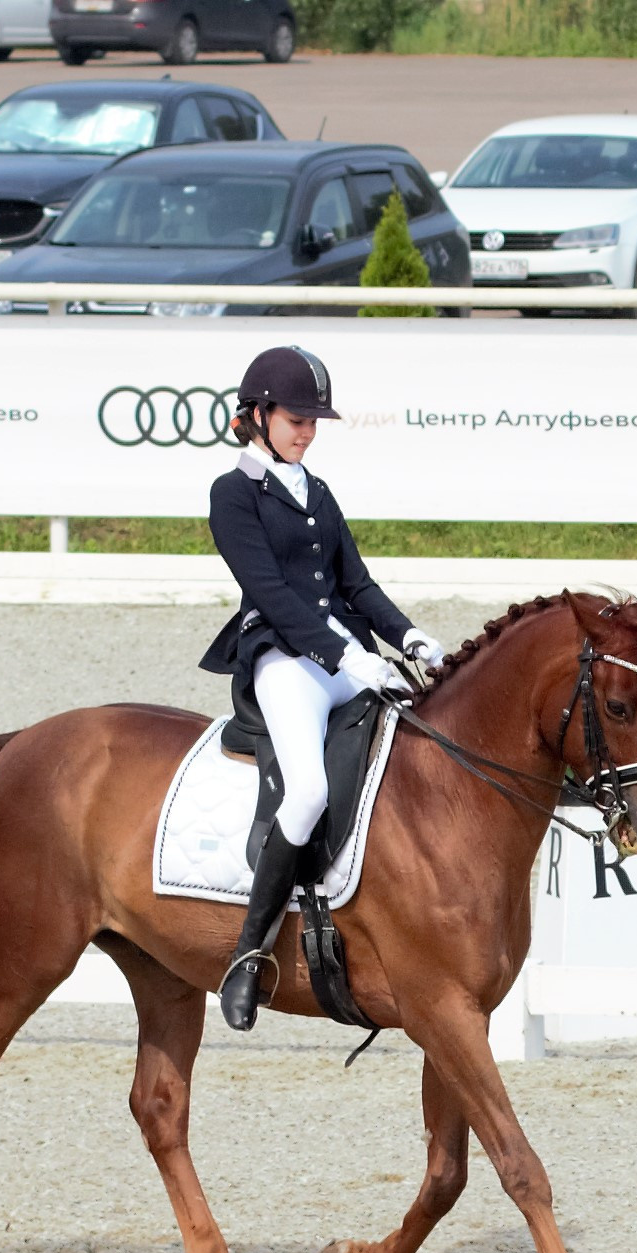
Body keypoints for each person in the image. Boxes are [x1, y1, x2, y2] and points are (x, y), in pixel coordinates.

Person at [199, 345, 446, 1031]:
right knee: (307, 790)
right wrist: (344, 655)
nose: (306, 430)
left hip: (346, 659)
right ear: (257, 414)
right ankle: (248, 955)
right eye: (295, 417)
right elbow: (273, 594)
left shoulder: (317, 489)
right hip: (285, 660)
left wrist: (411, 638)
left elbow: (356, 585)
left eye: (314, 420)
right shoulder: (233, 492)